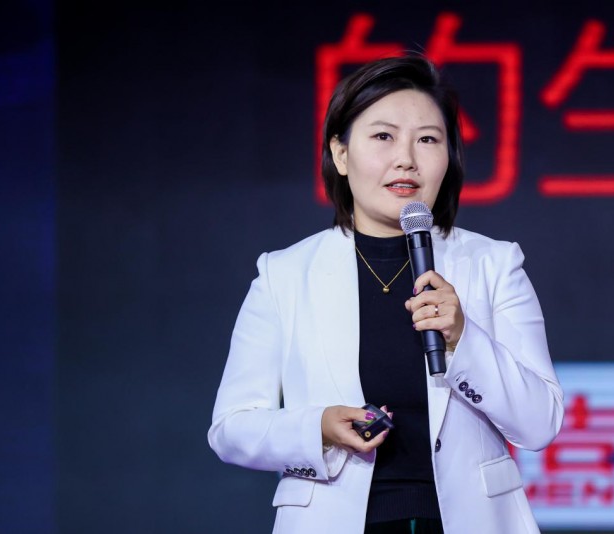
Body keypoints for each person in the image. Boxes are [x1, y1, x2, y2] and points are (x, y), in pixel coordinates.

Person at [208, 55, 564, 534]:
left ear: (449, 157)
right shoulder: (285, 275)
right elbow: (231, 429)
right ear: (340, 154)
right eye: (383, 136)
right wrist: (318, 426)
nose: (406, 159)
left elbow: (540, 424)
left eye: (427, 139)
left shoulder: (494, 265)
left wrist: (463, 338)